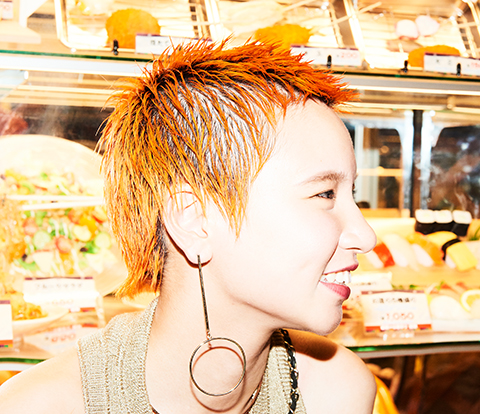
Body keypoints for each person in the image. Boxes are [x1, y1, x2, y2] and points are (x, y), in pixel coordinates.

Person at [0, 39, 377, 413]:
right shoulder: (38, 406)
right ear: (192, 218)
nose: (365, 235)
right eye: (325, 194)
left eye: (352, 194)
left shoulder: (335, 390)